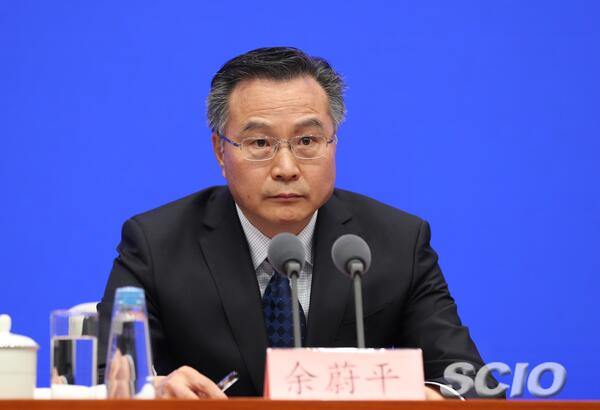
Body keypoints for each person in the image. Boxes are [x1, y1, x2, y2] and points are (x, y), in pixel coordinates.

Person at [98, 47, 493, 399]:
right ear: (220, 151)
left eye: (306, 141)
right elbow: (101, 377)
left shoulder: (396, 242)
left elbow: (470, 383)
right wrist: (153, 390)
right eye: (260, 143)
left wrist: (422, 398)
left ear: (333, 143)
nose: (286, 168)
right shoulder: (156, 244)